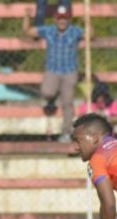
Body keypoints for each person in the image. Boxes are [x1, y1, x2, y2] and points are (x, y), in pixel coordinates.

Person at [23, 4, 86, 143]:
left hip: (69, 71)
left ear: (69, 18)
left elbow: (90, 35)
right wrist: (27, 17)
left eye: (64, 18)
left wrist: (86, 22)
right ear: (55, 18)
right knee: (47, 92)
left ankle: (66, 133)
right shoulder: (49, 30)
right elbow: (28, 31)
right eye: (59, 18)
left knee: (68, 103)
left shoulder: (75, 31)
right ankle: (53, 95)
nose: (62, 21)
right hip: (52, 69)